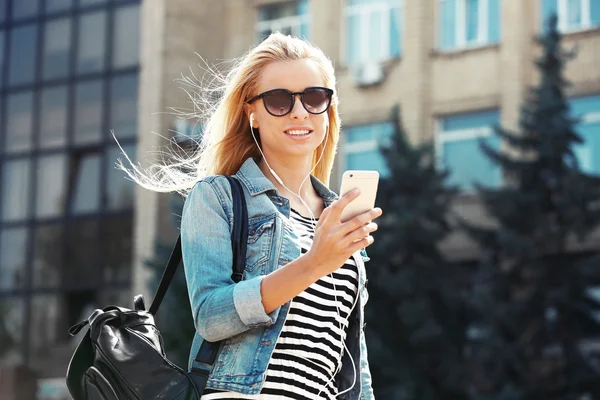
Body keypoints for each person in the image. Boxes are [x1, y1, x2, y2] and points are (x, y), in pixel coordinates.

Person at [121, 32, 382, 399]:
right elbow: (211, 316)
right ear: (252, 113)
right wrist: (312, 264)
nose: (299, 111)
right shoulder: (219, 197)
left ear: (329, 110)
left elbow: (355, 355)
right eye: (278, 99)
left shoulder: (336, 217)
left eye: (314, 97)